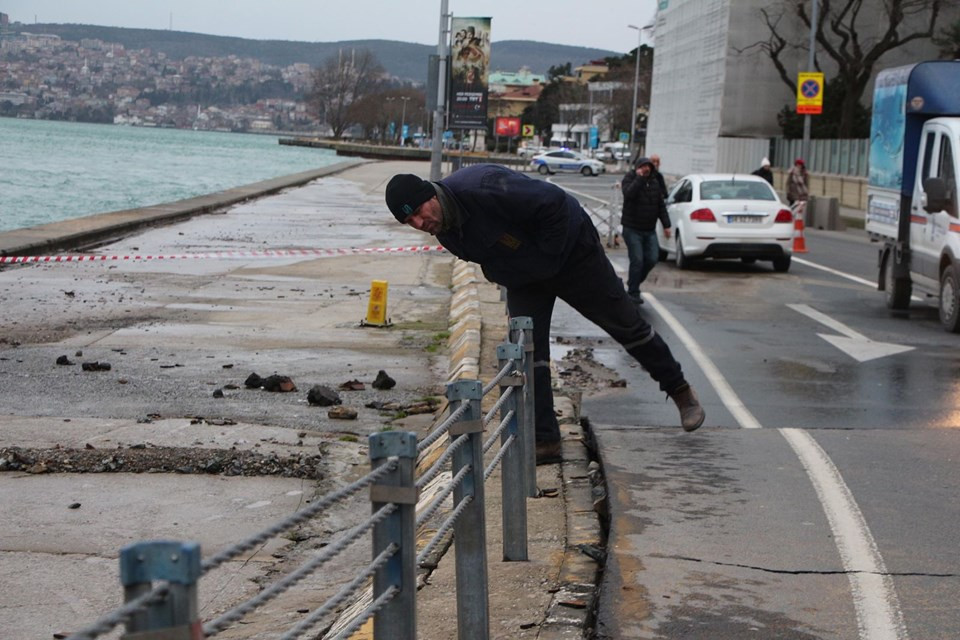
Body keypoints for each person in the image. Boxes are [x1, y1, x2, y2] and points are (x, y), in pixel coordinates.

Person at [384, 165, 705, 465]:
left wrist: (547, 261)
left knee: (628, 327)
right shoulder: (445, 231)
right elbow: (487, 258)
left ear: (430, 195)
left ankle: (680, 392)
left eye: (417, 214)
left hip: (573, 253)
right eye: (409, 223)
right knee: (528, 353)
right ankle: (545, 440)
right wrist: (506, 275)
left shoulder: (483, 187)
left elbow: (555, 206)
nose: (419, 224)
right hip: (525, 277)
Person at [621, 157, 671, 306]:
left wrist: (666, 225)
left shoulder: (655, 183)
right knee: (637, 260)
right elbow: (629, 194)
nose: (646, 169)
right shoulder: (630, 178)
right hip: (632, 229)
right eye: (643, 167)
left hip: (649, 230)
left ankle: (633, 282)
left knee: (652, 259)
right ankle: (633, 292)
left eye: (648, 167)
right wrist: (639, 178)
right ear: (638, 168)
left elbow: (660, 206)